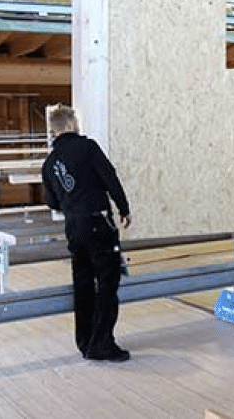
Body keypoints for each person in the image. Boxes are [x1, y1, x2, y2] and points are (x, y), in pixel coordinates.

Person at [41, 104, 133, 362]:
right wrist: (123, 208)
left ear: (53, 130)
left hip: (74, 228)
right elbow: (109, 176)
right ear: (72, 124)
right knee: (107, 283)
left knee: (82, 284)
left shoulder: (49, 163)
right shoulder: (88, 147)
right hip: (98, 223)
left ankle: (85, 342)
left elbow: (52, 202)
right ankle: (102, 343)